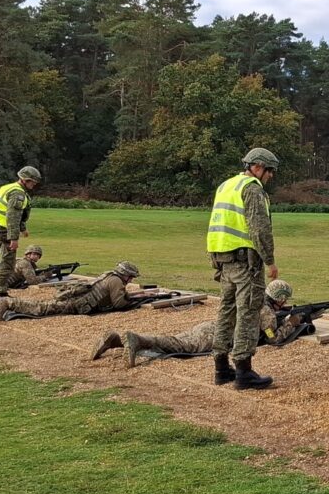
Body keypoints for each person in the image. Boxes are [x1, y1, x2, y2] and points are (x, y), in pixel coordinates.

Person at [92, 279, 305, 368]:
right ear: (280, 298)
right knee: (176, 346)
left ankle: (116, 341)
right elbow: (273, 338)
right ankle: (136, 339)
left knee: (174, 341)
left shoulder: (253, 299)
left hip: (210, 327)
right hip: (215, 337)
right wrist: (291, 324)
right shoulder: (267, 312)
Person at [207, 147, 282, 390]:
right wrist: (269, 261)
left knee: (225, 313)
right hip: (245, 262)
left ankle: (221, 368)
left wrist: (215, 261)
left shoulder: (226, 186)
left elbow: (216, 224)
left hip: (223, 259)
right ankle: (243, 371)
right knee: (248, 312)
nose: (270, 176)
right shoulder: (251, 188)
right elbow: (259, 228)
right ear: (258, 167)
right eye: (269, 171)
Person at [0, 260, 139, 321]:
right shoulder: (117, 281)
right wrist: (134, 299)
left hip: (78, 298)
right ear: (125, 274)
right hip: (78, 303)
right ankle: (7, 302)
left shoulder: (110, 275)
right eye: (131, 277)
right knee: (42, 309)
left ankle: (4, 301)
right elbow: (119, 304)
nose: (131, 280)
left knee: (45, 305)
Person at [0, 166, 41, 294]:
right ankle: (1, 291)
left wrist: (23, 229)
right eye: (32, 181)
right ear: (24, 180)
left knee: (6, 260)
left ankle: (1, 289)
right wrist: (14, 238)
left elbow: (18, 214)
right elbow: (12, 217)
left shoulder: (9, 187)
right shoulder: (18, 194)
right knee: (7, 263)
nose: (34, 184)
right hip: (4, 230)